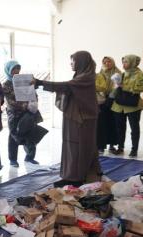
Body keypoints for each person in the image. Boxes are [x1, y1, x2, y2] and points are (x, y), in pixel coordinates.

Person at [32, 51, 101, 187]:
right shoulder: (81, 76)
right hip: (75, 116)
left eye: (73, 61)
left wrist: (40, 82)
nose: (71, 64)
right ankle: (71, 175)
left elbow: (66, 86)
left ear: (81, 62)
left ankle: (78, 177)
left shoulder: (86, 77)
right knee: (71, 146)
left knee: (80, 147)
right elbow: (68, 88)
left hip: (83, 119)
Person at [3, 60, 41, 167]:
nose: (16, 71)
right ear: (8, 70)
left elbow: (33, 93)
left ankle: (30, 157)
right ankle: (13, 159)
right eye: (14, 69)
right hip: (14, 115)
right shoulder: (6, 85)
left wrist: (34, 102)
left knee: (30, 135)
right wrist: (25, 105)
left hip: (28, 113)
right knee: (14, 136)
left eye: (18, 68)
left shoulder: (25, 81)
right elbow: (10, 101)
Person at [111, 55, 143, 158]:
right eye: (123, 62)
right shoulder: (122, 74)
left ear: (133, 63)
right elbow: (116, 89)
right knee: (120, 128)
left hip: (132, 105)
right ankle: (120, 148)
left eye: (126, 62)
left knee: (134, 128)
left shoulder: (140, 75)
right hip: (119, 105)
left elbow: (140, 88)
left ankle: (134, 150)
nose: (124, 64)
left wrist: (123, 86)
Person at [95, 56, 121, 154]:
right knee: (102, 124)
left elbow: (117, 87)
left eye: (109, 62)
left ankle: (112, 145)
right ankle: (101, 145)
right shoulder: (99, 73)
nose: (107, 64)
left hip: (113, 100)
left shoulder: (117, 72)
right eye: (105, 62)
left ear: (113, 62)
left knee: (112, 123)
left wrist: (110, 98)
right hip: (101, 100)